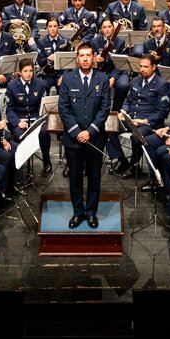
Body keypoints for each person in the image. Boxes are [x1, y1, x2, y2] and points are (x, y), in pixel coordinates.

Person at [58, 46, 111, 228]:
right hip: (74, 140)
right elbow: (63, 109)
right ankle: (78, 213)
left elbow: (105, 109)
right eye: (82, 56)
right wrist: (77, 132)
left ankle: (91, 213)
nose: (86, 59)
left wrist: (90, 131)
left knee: (94, 178)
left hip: (95, 138)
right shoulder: (68, 79)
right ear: (77, 59)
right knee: (75, 178)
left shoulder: (102, 79)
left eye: (89, 55)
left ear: (94, 57)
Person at [115, 53, 170, 177]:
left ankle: (133, 166)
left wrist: (144, 120)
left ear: (153, 67)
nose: (142, 69)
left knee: (136, 138)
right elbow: (128, 100)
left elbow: (161, 112)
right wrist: (123, 112)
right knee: (108, 129)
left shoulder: (161, 84)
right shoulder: (135, 80)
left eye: (145, 67)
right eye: (140, 66)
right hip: (131, 118)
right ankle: (121, 160)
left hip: (148, 123)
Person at [6, 59, 50, 168]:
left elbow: (42, 105)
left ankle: (46, 160)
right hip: (19, 118)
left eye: (31, 71)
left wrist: (40, 120)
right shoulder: (12, 86)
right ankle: (19, 164)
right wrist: (17, 122)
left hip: (35, 118)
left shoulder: (40, 83)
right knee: (19, 134)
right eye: (25, 71)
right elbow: (9, 109)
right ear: (20, 72)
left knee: (44, 133)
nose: (29, 74)